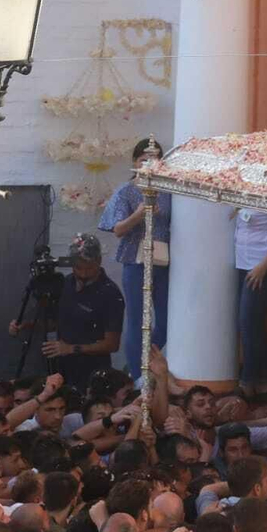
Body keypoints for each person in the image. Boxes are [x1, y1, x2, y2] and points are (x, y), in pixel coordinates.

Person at [97, 137, 171, 378]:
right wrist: (139, 214)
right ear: (135, 162)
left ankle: (148, 361)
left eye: (155, 159)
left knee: (167, 317)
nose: (149, 164)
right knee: (138, 318)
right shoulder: (126, 191)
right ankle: (137, 375)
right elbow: (117, 229)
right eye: (144, 160)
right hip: (135, 259)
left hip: (165, 259)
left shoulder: (170, 191)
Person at [14, 234, 122, 392]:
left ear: (99, 261)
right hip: (62, 370)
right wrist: (26, 325)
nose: (84, 274)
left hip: (92, 374)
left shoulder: (110, 293)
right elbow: (57, 323)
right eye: (78, 268)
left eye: (89, 268)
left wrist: (71, 348)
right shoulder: (65, 284)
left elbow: (112, 344)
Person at [233, 208, 267, 403]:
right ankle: (261, 384)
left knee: (248, 322)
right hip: (243, 264)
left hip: (265, 267)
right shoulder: (245, 193)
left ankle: (248, 382)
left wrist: (262, 267)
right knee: (249, 324)